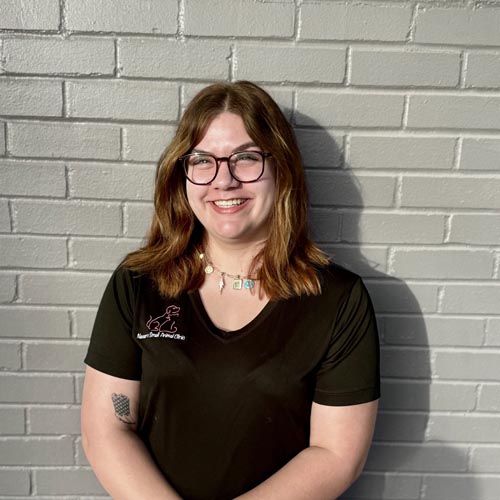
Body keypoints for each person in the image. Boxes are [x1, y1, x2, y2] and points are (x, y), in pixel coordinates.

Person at [81, 81, 380, 500]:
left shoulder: (338, 300)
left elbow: (335, 456)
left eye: (245, 158)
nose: (224, 181)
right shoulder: (138, 283)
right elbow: (107, 429)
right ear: (181, 173)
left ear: (281, 168)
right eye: (203, 161)